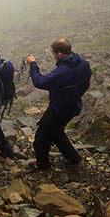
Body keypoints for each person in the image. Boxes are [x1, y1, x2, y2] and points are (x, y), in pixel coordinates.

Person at [26, 38, 91, 169]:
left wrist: (33, 64)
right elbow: (86, 83)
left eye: (53, 54)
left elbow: (40, 82)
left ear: (60, 54)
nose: (53, 56)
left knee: (41, 138)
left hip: (59, 109)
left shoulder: (63, 72)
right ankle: (75, 159)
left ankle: (42, 164)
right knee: (56, 132)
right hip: (74, 106)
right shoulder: (83, 63)